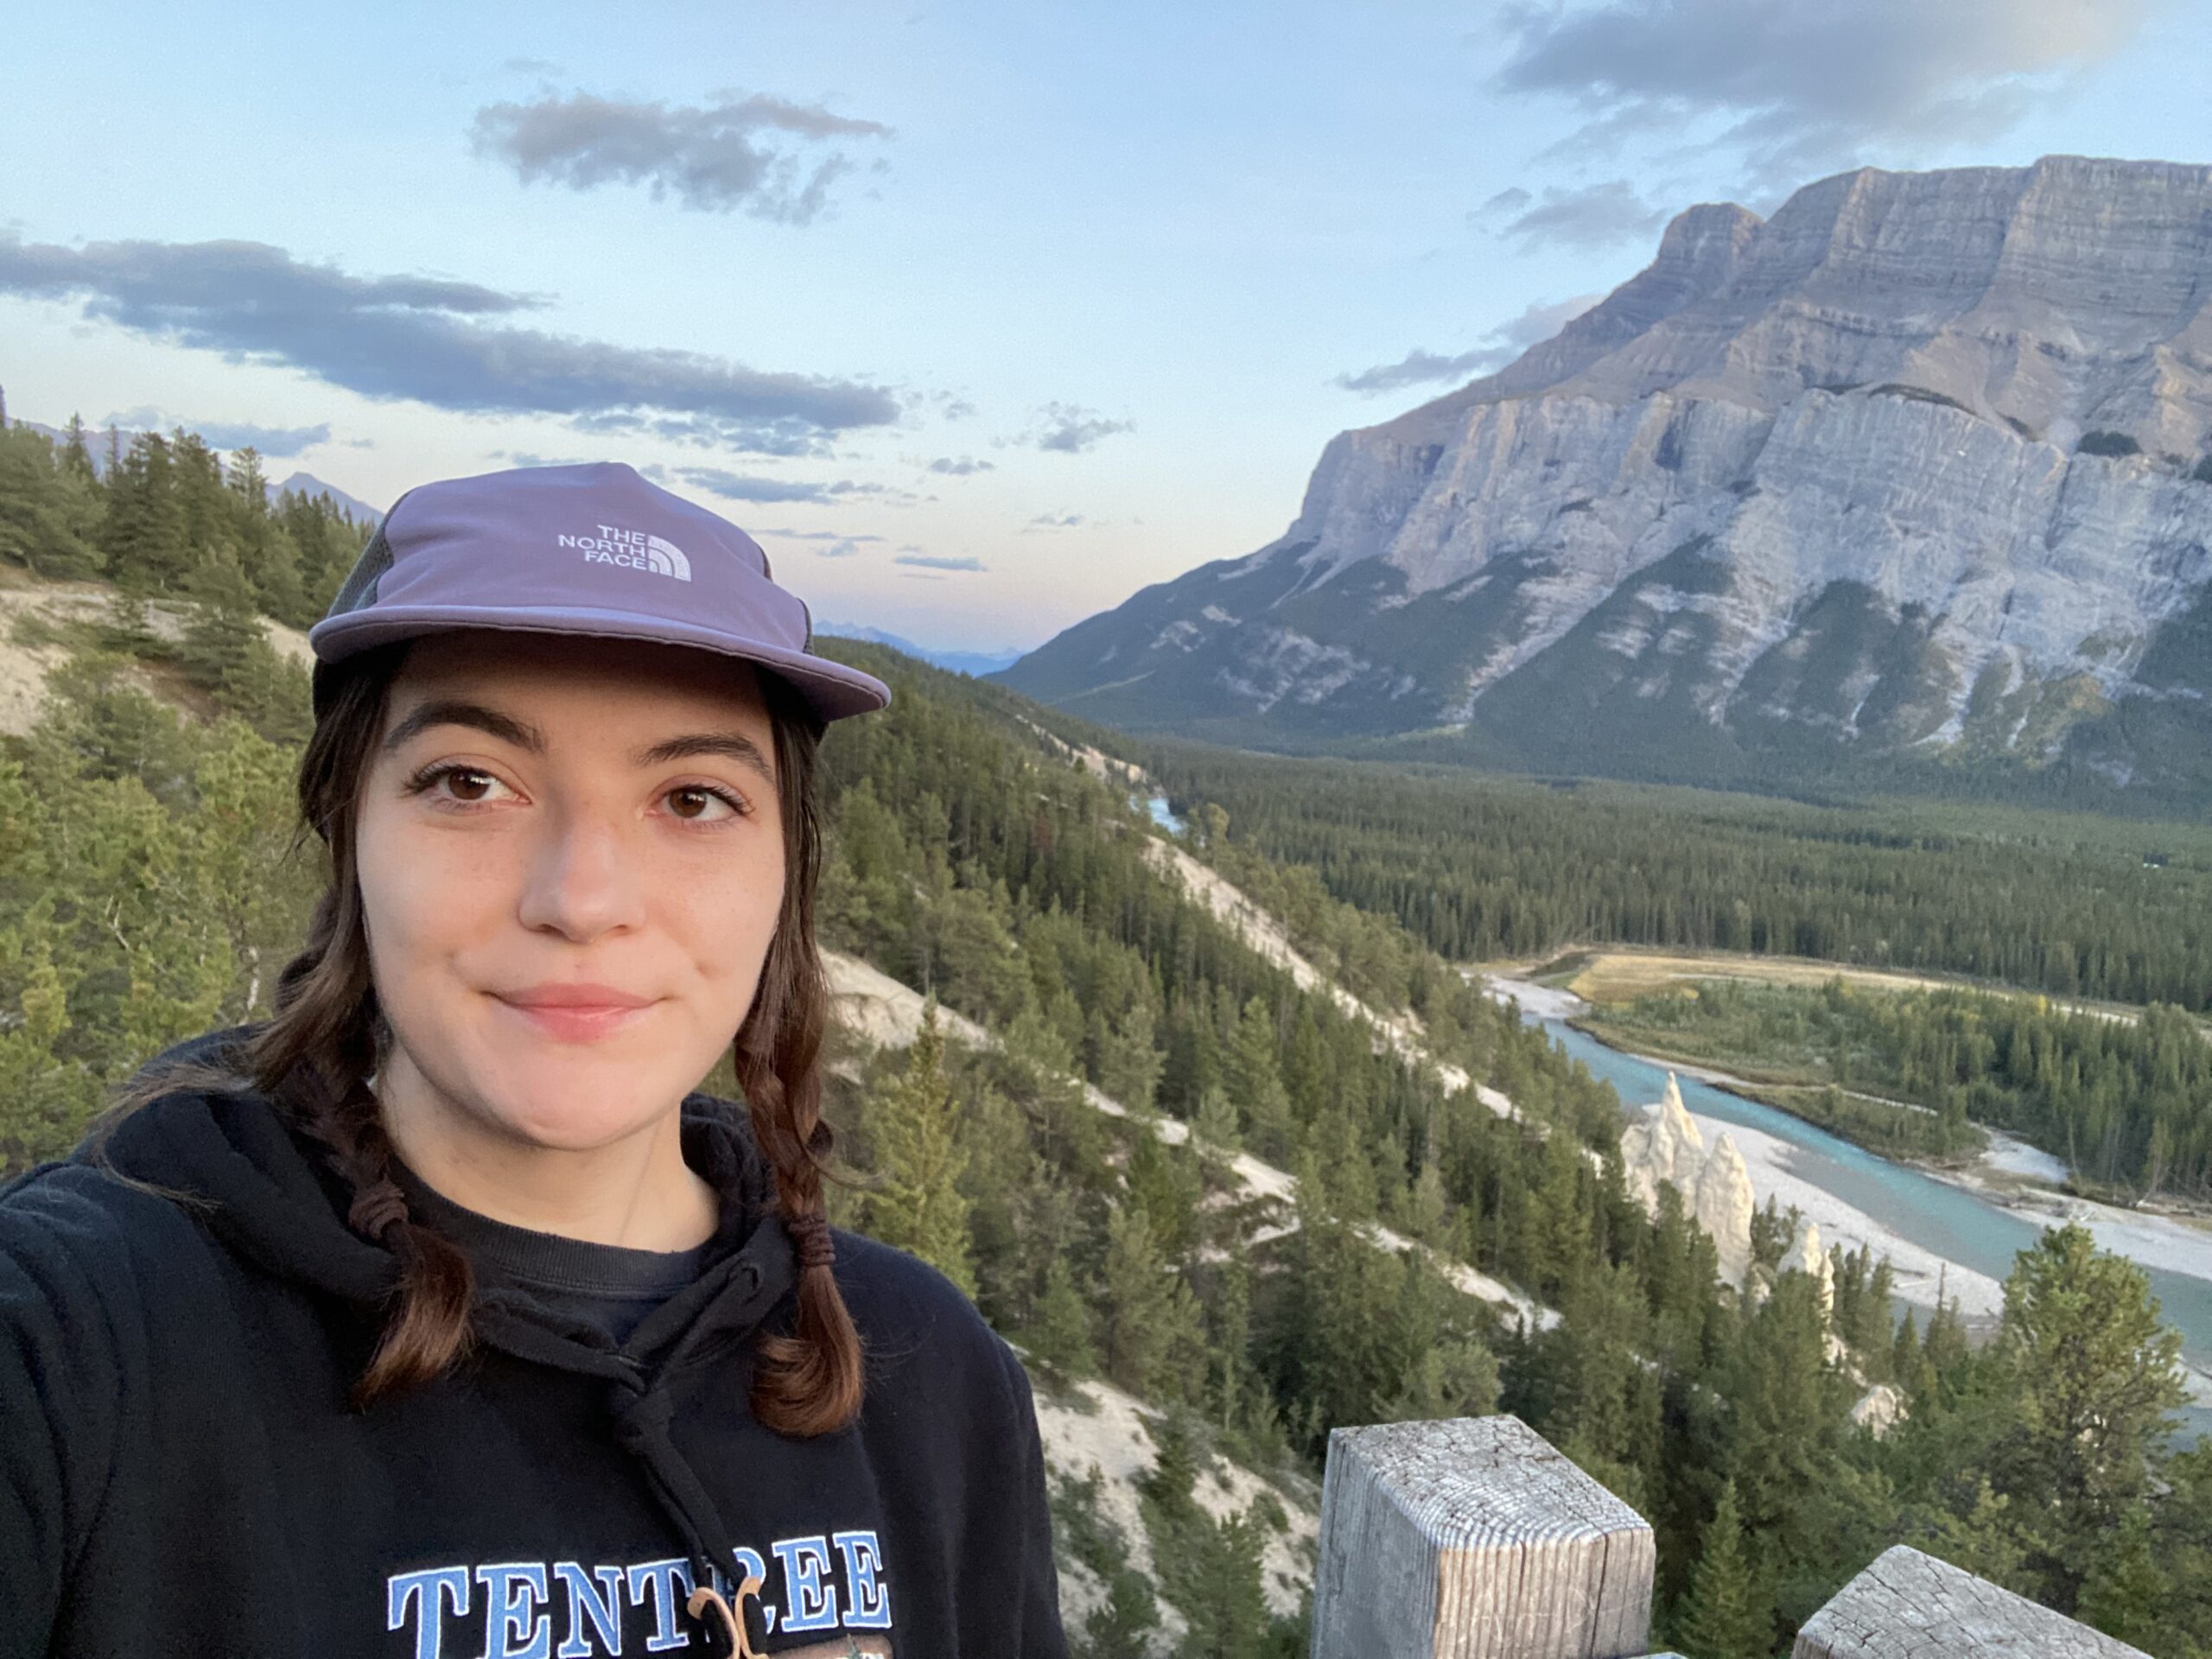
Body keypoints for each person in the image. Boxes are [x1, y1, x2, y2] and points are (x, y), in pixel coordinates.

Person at [0, 461, 1066, 1658]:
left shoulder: (928, 1375)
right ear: (349, 830)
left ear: (787, 873)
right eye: (470, 781)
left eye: (695, 798)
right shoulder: (81, 1344)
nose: (582, 898)